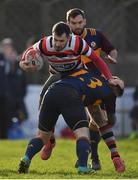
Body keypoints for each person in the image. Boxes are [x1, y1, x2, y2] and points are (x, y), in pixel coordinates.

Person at [18, 22, 124, 174]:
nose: (58, 44)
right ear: (52, 36)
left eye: (62, 41)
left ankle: (114, 157)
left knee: (97, 116)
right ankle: (51, 142)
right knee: (43, 99)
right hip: (58, 76)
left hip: (77, 74)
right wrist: (24, 64)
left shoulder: (77, 43)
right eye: (56, 40)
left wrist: (108, 77)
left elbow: (97, 59)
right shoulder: (45, 43)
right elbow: (28, 54)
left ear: (69, 38)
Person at [40, 8, 119, 171]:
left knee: (101, 120)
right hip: (65, 78)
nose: (77, 26)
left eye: (79, 22)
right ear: (67, 23)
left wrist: (113, 57)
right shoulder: (61, 37)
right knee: (44, 97)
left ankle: (94, 157)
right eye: (73, 23)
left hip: (90, 80)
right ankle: (51, 141)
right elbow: (45, 51)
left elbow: (110, 50)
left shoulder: (95, 35)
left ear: (85, 21)